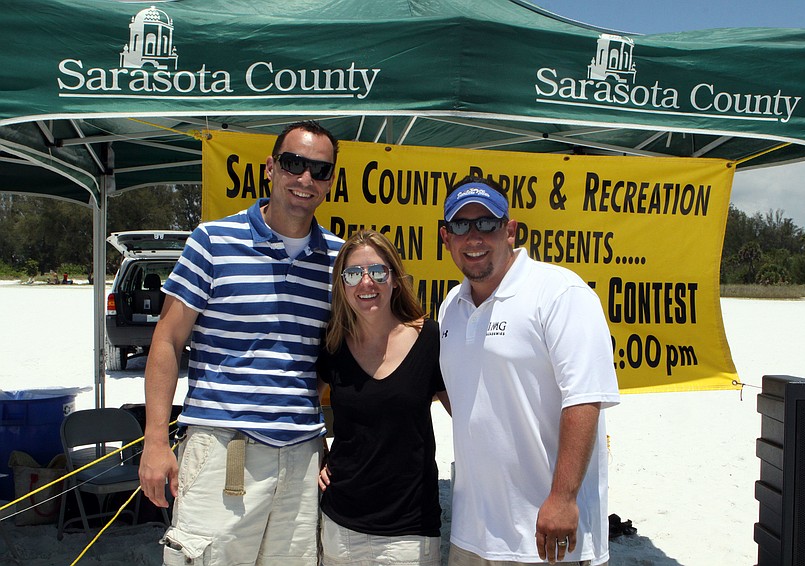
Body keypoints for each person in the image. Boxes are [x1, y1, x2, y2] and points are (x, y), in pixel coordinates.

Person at [138, 121, 344, 566]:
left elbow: (340, 360)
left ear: (330, 182)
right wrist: (155, 440)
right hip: (223, 450)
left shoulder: (338, 260)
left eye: (320, 170)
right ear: (270, 167)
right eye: (294, 164)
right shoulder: (212, 241)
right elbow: (167, 342)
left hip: (302, 457)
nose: (305, 179)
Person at [437, 176, 620, 566]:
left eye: (486, 224)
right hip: (471, 533)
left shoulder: (559, 293)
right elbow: (466, 396)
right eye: (461, 225)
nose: (474, 237)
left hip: (546, 534)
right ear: (445, 237)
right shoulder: (451, 305)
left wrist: (563, 498)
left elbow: (585, 398)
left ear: (510, 230)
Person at [316, 229, 451, 566]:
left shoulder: (430, 340)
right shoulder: (332, 343)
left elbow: (470, 417)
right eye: (353, 274)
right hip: (340, 525)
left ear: (394, 278)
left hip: (410, 532)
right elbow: (301, 403)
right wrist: (317, 450)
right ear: (342, 285)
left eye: (377, 272)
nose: (366, 283)